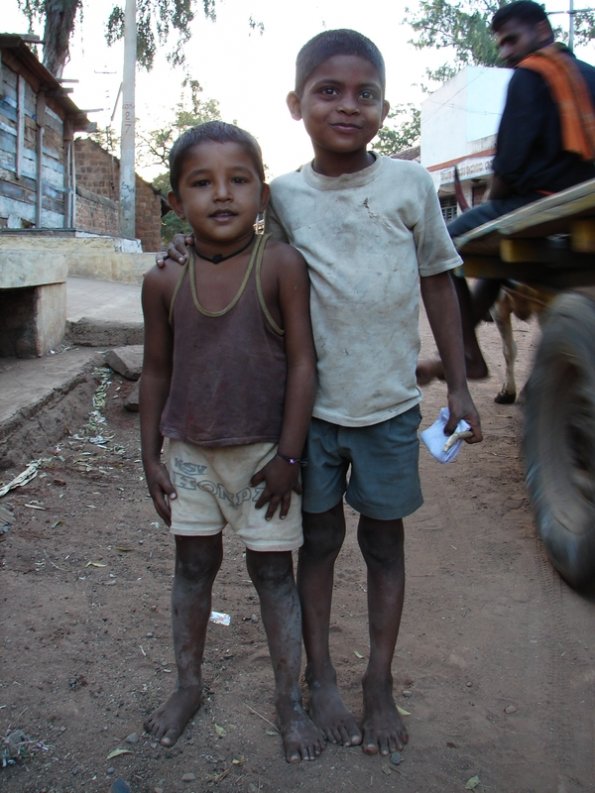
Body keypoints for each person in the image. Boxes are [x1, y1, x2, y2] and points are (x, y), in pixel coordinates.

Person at [162, 30, 482, 757]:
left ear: (383, 105)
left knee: (383, 541)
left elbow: (437, 276)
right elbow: (234, 243)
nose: (347, 105)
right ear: (295, 104)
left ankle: (378, 680)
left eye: (364, 93)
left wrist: (458, 382)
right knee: (318, 543)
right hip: (303, 418)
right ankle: (324, 679)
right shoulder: (284, 197)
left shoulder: (409, 185)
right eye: (328, 91)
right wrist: (181, 245)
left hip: (389, 408)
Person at [140, 121, 324, 763]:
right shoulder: (164, 279)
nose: (222, 195)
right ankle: (188, 685)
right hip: (190, 457)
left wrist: (289, 456)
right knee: (192, 569)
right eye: (202, 183)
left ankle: (289, 701)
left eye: (238, 180)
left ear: (263, 193)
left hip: (264, 460)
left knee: (275, 574)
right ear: (175, 202)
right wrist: (149, 458)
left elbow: (304, 364)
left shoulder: (281, 266)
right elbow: (156, 370)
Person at [418, 0, 595, 384]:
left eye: (511, 40)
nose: (506, 53)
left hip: (542, 200)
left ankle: (468, 356)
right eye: (501, 45)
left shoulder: (530, 76)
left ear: (543, 32)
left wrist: (493, 204)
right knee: (493, 244)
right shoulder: (588, 74)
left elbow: (509, 165)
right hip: (583, 200)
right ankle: (469, 347)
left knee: (442, 246)